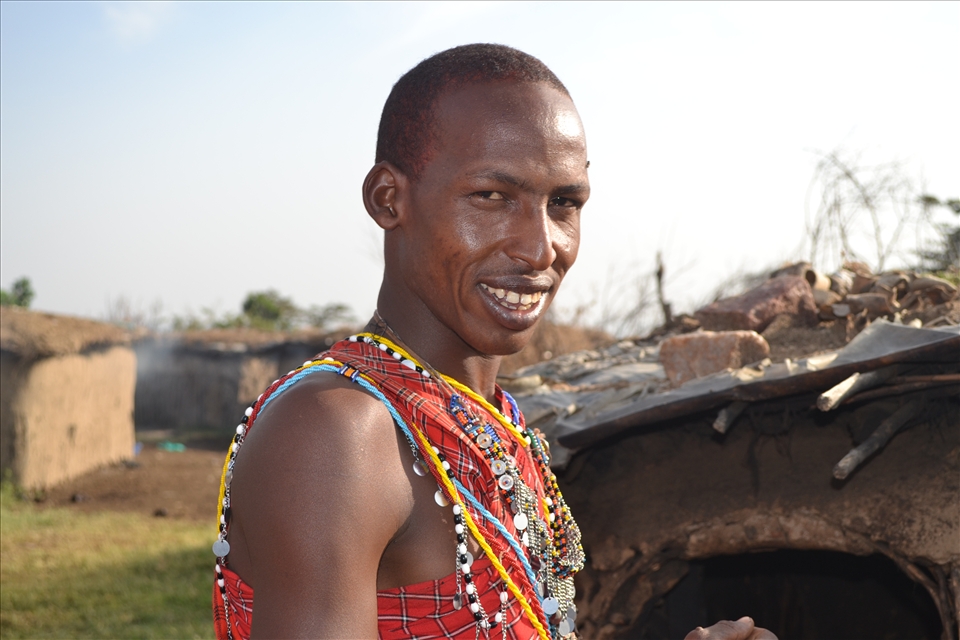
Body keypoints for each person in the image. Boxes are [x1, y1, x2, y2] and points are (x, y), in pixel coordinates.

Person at [211, 44, 776, 640]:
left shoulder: (491, 417)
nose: (541, 248)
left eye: (564, 203)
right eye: (492, 196)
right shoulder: (337, 433)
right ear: (388, 199)